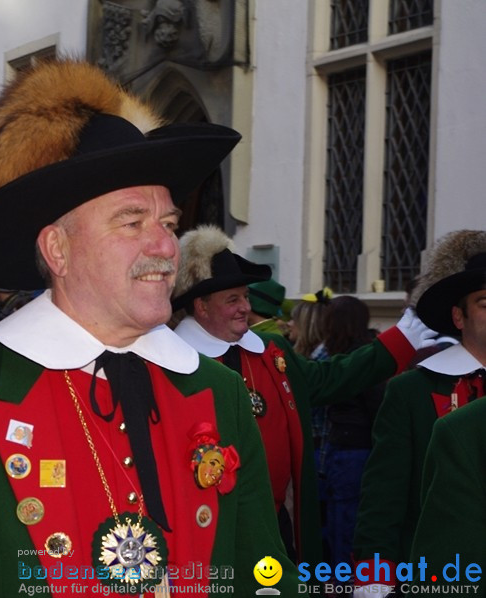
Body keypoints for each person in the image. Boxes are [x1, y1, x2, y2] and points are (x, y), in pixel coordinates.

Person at [0, 59, 299, 597]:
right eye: (132, 222)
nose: (164, 246)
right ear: (57, 248)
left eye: (169, 224)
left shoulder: (218, 391)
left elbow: (262, 577)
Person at [170, 225, 434, 566]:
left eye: (246, 297)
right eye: (232, 299)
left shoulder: (270, 352)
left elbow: (334, 378)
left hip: (280, 524)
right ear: (201, 307)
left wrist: (401, 339)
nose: (245, 307)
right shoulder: (175, 363)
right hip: (212, 530)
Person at [354, 230, 486, 596]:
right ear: (459, 317)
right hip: (438, 571)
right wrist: (373, 577)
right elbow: (384, 497)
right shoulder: (411, 391)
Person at [317, 296, 384, 573]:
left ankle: (342, 579)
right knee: (344, 522)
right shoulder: (360, 356)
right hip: (350, 448)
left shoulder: (346, 357)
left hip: (347, 449)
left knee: (341, 522)